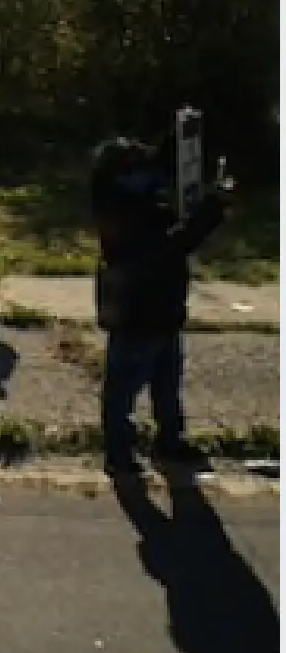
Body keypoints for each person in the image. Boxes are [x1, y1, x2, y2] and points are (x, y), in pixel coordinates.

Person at [90, 136, 229, 479]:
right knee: (124, 386)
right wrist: (209, 213)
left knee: (167, 383)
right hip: (136, 310)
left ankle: (170, 442)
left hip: (162, 307)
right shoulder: (120, 208)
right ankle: (119, 451)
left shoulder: (143, 203)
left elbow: (175, 236)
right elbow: (167, 247)